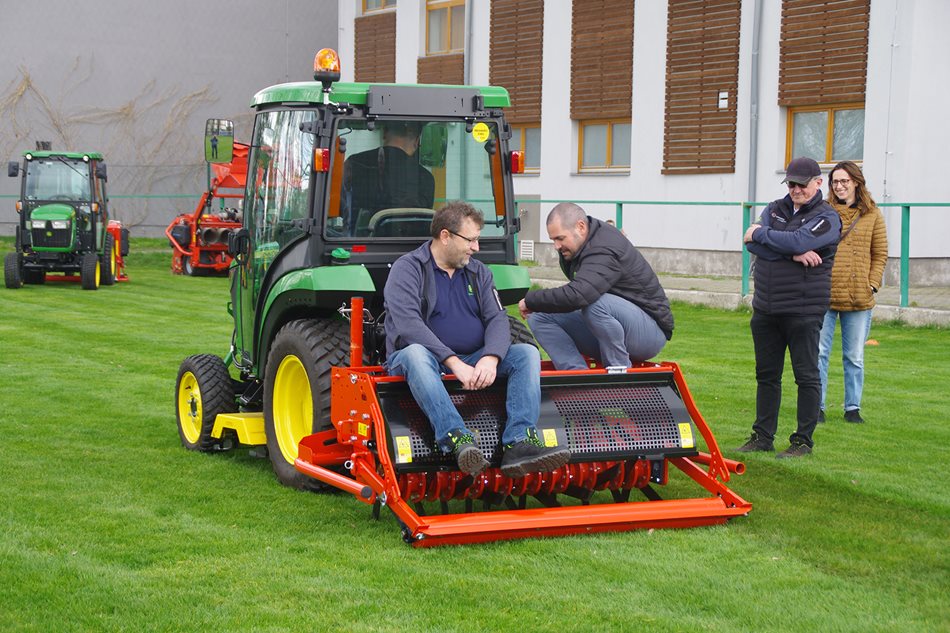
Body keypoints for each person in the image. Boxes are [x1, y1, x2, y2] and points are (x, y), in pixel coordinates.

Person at [383, 201, 571, 478]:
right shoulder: (408, 269)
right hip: (419, 361)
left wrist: (490, 357)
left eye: (477, 240)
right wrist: (455, 363)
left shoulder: (479, 272)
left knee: (526, 354)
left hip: (472, 358)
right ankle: (457, 438)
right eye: (470, 240)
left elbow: (497, 318)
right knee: (415, 353)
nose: (476, 247)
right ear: (445, 236)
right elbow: (409, 325)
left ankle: (519, 442)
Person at [738, 157, 842, 458]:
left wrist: (764, 236)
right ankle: (762, 436)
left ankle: (802, 441)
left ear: (818, 183)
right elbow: (752, 244)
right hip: (766, 308)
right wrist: (793, 253)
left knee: (806, 376)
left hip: (803, 309)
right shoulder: (774, 208)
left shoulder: (827, 217)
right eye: (791, 184)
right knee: (766, 375)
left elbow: (795, 239)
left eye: (802, 184)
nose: (795, 189)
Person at [517, 202, 673, 370]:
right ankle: (576, 376)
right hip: (614, 324)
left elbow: (579, 294)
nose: (556, 246)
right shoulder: (581, 247)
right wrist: (537, 305)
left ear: (581, 227)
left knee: (595, 303)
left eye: (560, 238)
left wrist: (530, 299)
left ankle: (618, 373)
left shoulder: (604, 247)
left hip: (650, 333)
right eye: (553, 240)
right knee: (539, 314)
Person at [817, 161, 888, 424]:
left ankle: (852, 408)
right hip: (824, 294)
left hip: (859, 296)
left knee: (854, 356)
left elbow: (880, 254)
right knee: (819, 354)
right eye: (835, 181)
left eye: (845, 181)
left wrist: (872, 284)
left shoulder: (873, 215)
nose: (840, 186)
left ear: (856, 182)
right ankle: (818, 407)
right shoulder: (823, 213)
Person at [342, 121, 435, 235]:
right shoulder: (426, 178)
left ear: (384, 133)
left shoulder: (354, 164)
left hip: (360, 245)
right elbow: (423, 221)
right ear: (417, 140)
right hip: (412, 247)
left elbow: (338, 205)